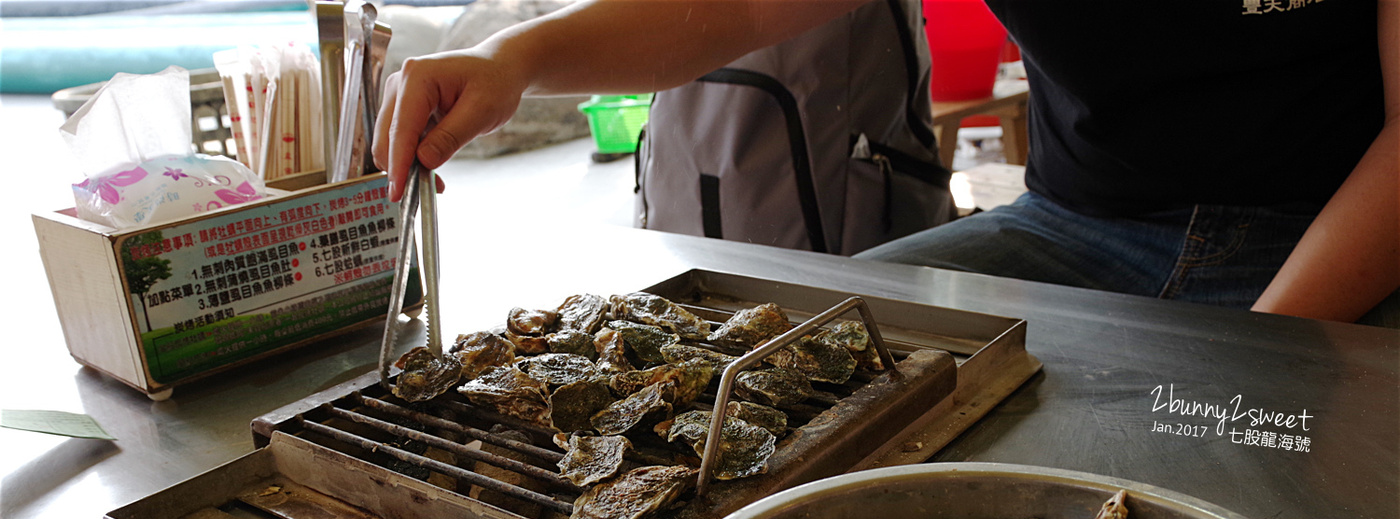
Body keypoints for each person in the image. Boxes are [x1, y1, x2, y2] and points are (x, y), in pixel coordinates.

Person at [373, 0, 1398, 324]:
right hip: (1075, 228)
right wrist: (519, 55)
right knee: (790, 363)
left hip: (1333, 240)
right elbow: (721, 10)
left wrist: (1251, 363)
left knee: (1256, 468)